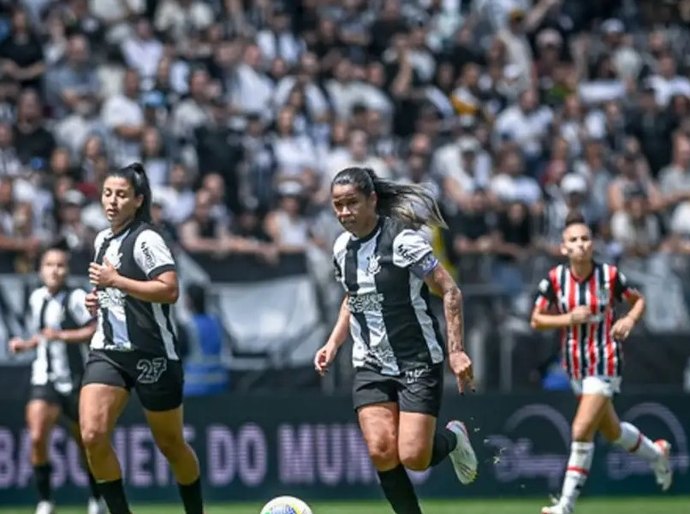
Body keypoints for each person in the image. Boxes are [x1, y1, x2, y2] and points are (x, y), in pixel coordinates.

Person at [314, 167, 478, 514]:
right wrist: (333, 343)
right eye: (337, 205)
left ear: (372, 200)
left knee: (414, 457)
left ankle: (452, 438)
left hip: (416, 359)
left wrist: (457, 351)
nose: (344, 212)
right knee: (380, 449)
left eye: (351, 203)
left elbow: (450, 289)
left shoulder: (404, 240)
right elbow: (352, 296)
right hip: (370, 363)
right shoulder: (342, 248)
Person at [79, 162, 204, 514]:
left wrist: (115, 282)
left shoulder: (147, 238)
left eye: (121, 195)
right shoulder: (102, 239)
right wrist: (97, 300)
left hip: (153, 354)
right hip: (108, 351)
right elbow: (110, 288)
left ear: (138, 200)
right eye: (107, 194)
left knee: (171, 444)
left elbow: (169, 290)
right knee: (92, 435)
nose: (112, 202)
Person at [531, 210, 672, 514]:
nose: (581, 244)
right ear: (564, 247)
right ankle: (657, 453)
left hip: (605, 359)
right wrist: (568, 318)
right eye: (574, 240)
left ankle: (565, 505)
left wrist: (630, 319)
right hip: (575, 365)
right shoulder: (555, 280)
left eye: (585, 238)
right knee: (612, 431)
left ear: (593, 244)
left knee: (581, 429)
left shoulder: (609, 276)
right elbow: (536, 320)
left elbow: (638, 300)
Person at [9, 241, 104, 514]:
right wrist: (25, 345)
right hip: (45, 378)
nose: (55, 271)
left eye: (60, 265)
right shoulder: (36, 297)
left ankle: (97, 498)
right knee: (38, 436)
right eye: (50, 265)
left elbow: (94, 329)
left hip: (75, 380)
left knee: (86, 442)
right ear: (41, 270)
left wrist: (61, 336)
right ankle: (45, 500)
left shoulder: (76, 297)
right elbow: (42, 335)